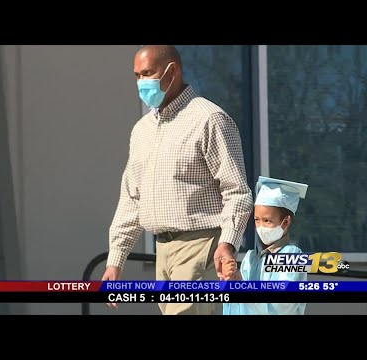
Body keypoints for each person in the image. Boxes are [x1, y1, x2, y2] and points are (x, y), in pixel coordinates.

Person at [101, 45, 253, 315]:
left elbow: (237, 192)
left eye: (148, 73)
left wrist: (227, 243)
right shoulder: (142, 131)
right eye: (136, 75)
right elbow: (131, 198)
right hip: (163, 251)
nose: (141, 82)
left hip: (201, 245)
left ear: (173, 70)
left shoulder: (210, 119)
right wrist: (116, 260)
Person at [222, 176, 309, 315]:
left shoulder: (291, 256)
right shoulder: (250, 258)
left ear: (285, 222)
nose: (261, 227)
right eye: (257, 220)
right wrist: (232, 280)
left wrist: (243, 285)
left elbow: (281, 305)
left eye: (267, 221)